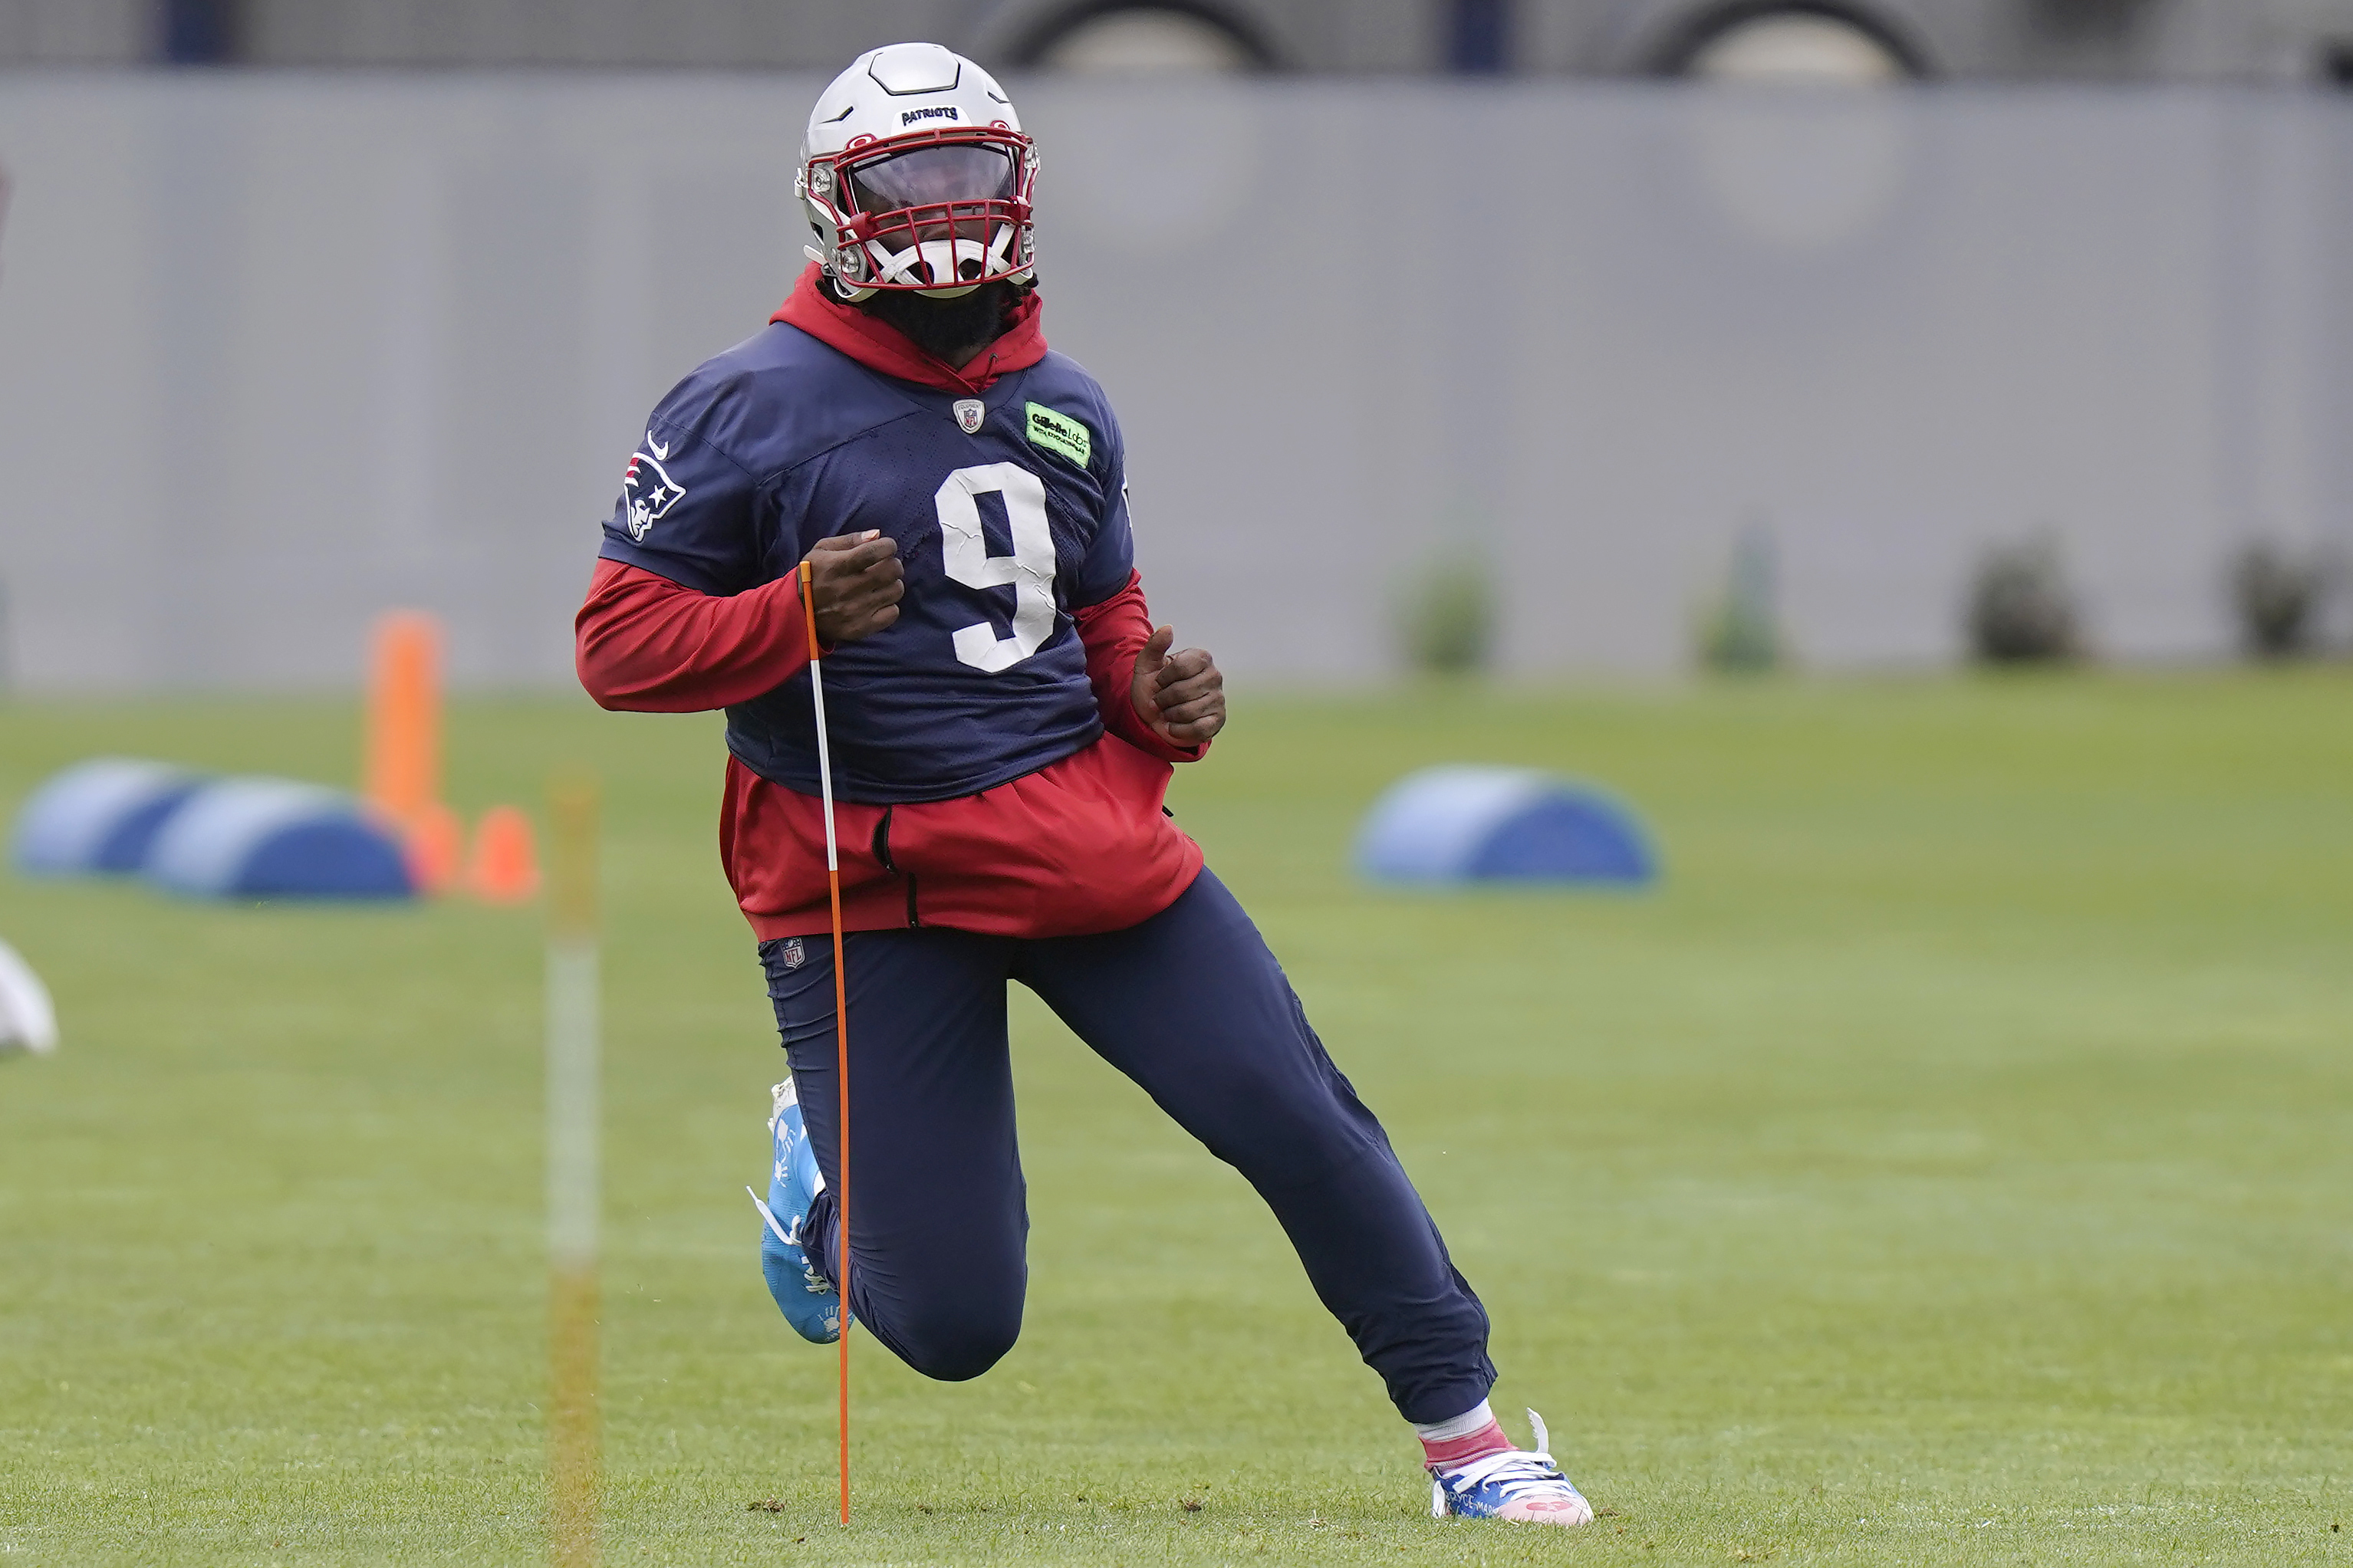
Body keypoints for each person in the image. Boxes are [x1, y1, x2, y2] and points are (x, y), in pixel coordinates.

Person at [572, 41, 1590, 1527]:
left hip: (1080, 843)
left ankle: (1470, 1440)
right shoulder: (743, 407)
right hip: (878, 882)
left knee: (1294, 1111)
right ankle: (821, 1187)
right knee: (956, 1320)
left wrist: (1149, 693)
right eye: (902, 183)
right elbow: (614, 644)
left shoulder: (1067, 403)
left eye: (966, 174)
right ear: (831, 210)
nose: (940, 209)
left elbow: (1095, 621)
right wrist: (786, 617)